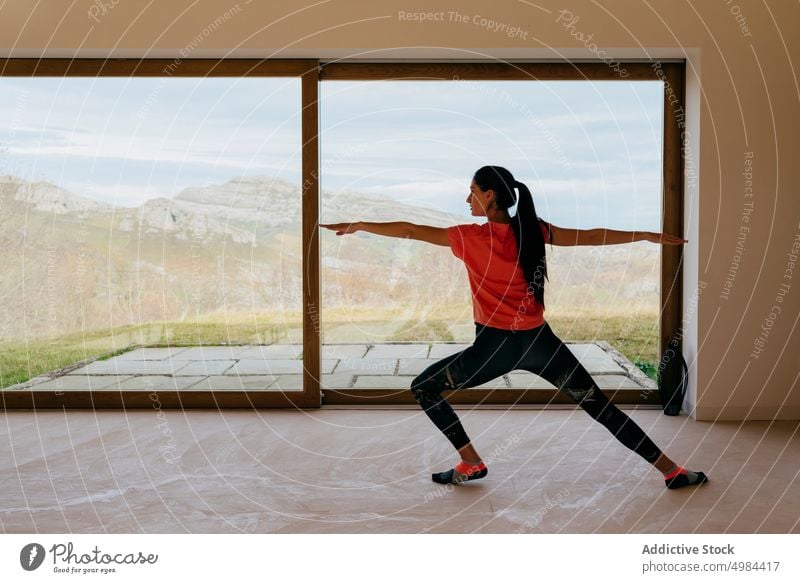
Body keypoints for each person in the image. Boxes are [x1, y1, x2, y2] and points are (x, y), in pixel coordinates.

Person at [320, 165, 708, 490]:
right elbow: (591, 237)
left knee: (424, 387)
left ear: (490, 196)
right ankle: (672, 471)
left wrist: (358, 225)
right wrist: (644, 236)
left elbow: (409, 230)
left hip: (495, 347)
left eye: (472, 192)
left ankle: (470, 462)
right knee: (600, 408)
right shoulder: (534, 231)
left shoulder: (468, 237)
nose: (467, 199)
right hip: (541, 343)